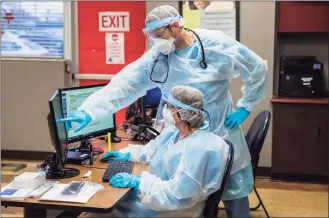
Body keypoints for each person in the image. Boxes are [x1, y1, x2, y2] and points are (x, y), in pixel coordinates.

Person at [59, 5, 268, 217]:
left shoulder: (215, 45)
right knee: (191, 192)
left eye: (158, 35)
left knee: (233, 193)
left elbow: (257, 68)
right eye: (151, 36)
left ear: (175, 26)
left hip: (220, 129)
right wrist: (89, 110)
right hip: (182, 132)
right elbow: (125, 83)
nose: (155, 41)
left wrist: (245, 106)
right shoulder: (159, 56)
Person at [88, 85, 232, 217]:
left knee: (102, 211)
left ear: (181, 113)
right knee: (110, 202)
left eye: (170, 107)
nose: (166, 110)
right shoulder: (176, 132)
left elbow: (179, 196)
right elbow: (153, 150)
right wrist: (128, 154)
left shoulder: (199, 148)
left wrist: (139, 182)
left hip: (176, 209)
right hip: (161, 197)